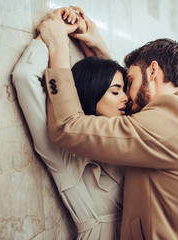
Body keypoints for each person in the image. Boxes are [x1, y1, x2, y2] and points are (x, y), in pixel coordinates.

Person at [38, 6, 178, 240]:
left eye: (128, 82)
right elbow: (134, 126)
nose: (126, 96)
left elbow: (67, 128)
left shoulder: (173, 121)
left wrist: (58, 47)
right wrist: (97, 46)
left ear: (153, 71)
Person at [12, 7, 128, 239]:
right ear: (92, 96)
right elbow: (24, 77)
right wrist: (54, 41)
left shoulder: (126, 134)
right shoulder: (65, 154)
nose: (126, 98)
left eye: (124, 90)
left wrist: (96, 45)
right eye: (117, 92)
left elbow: (106, 84)